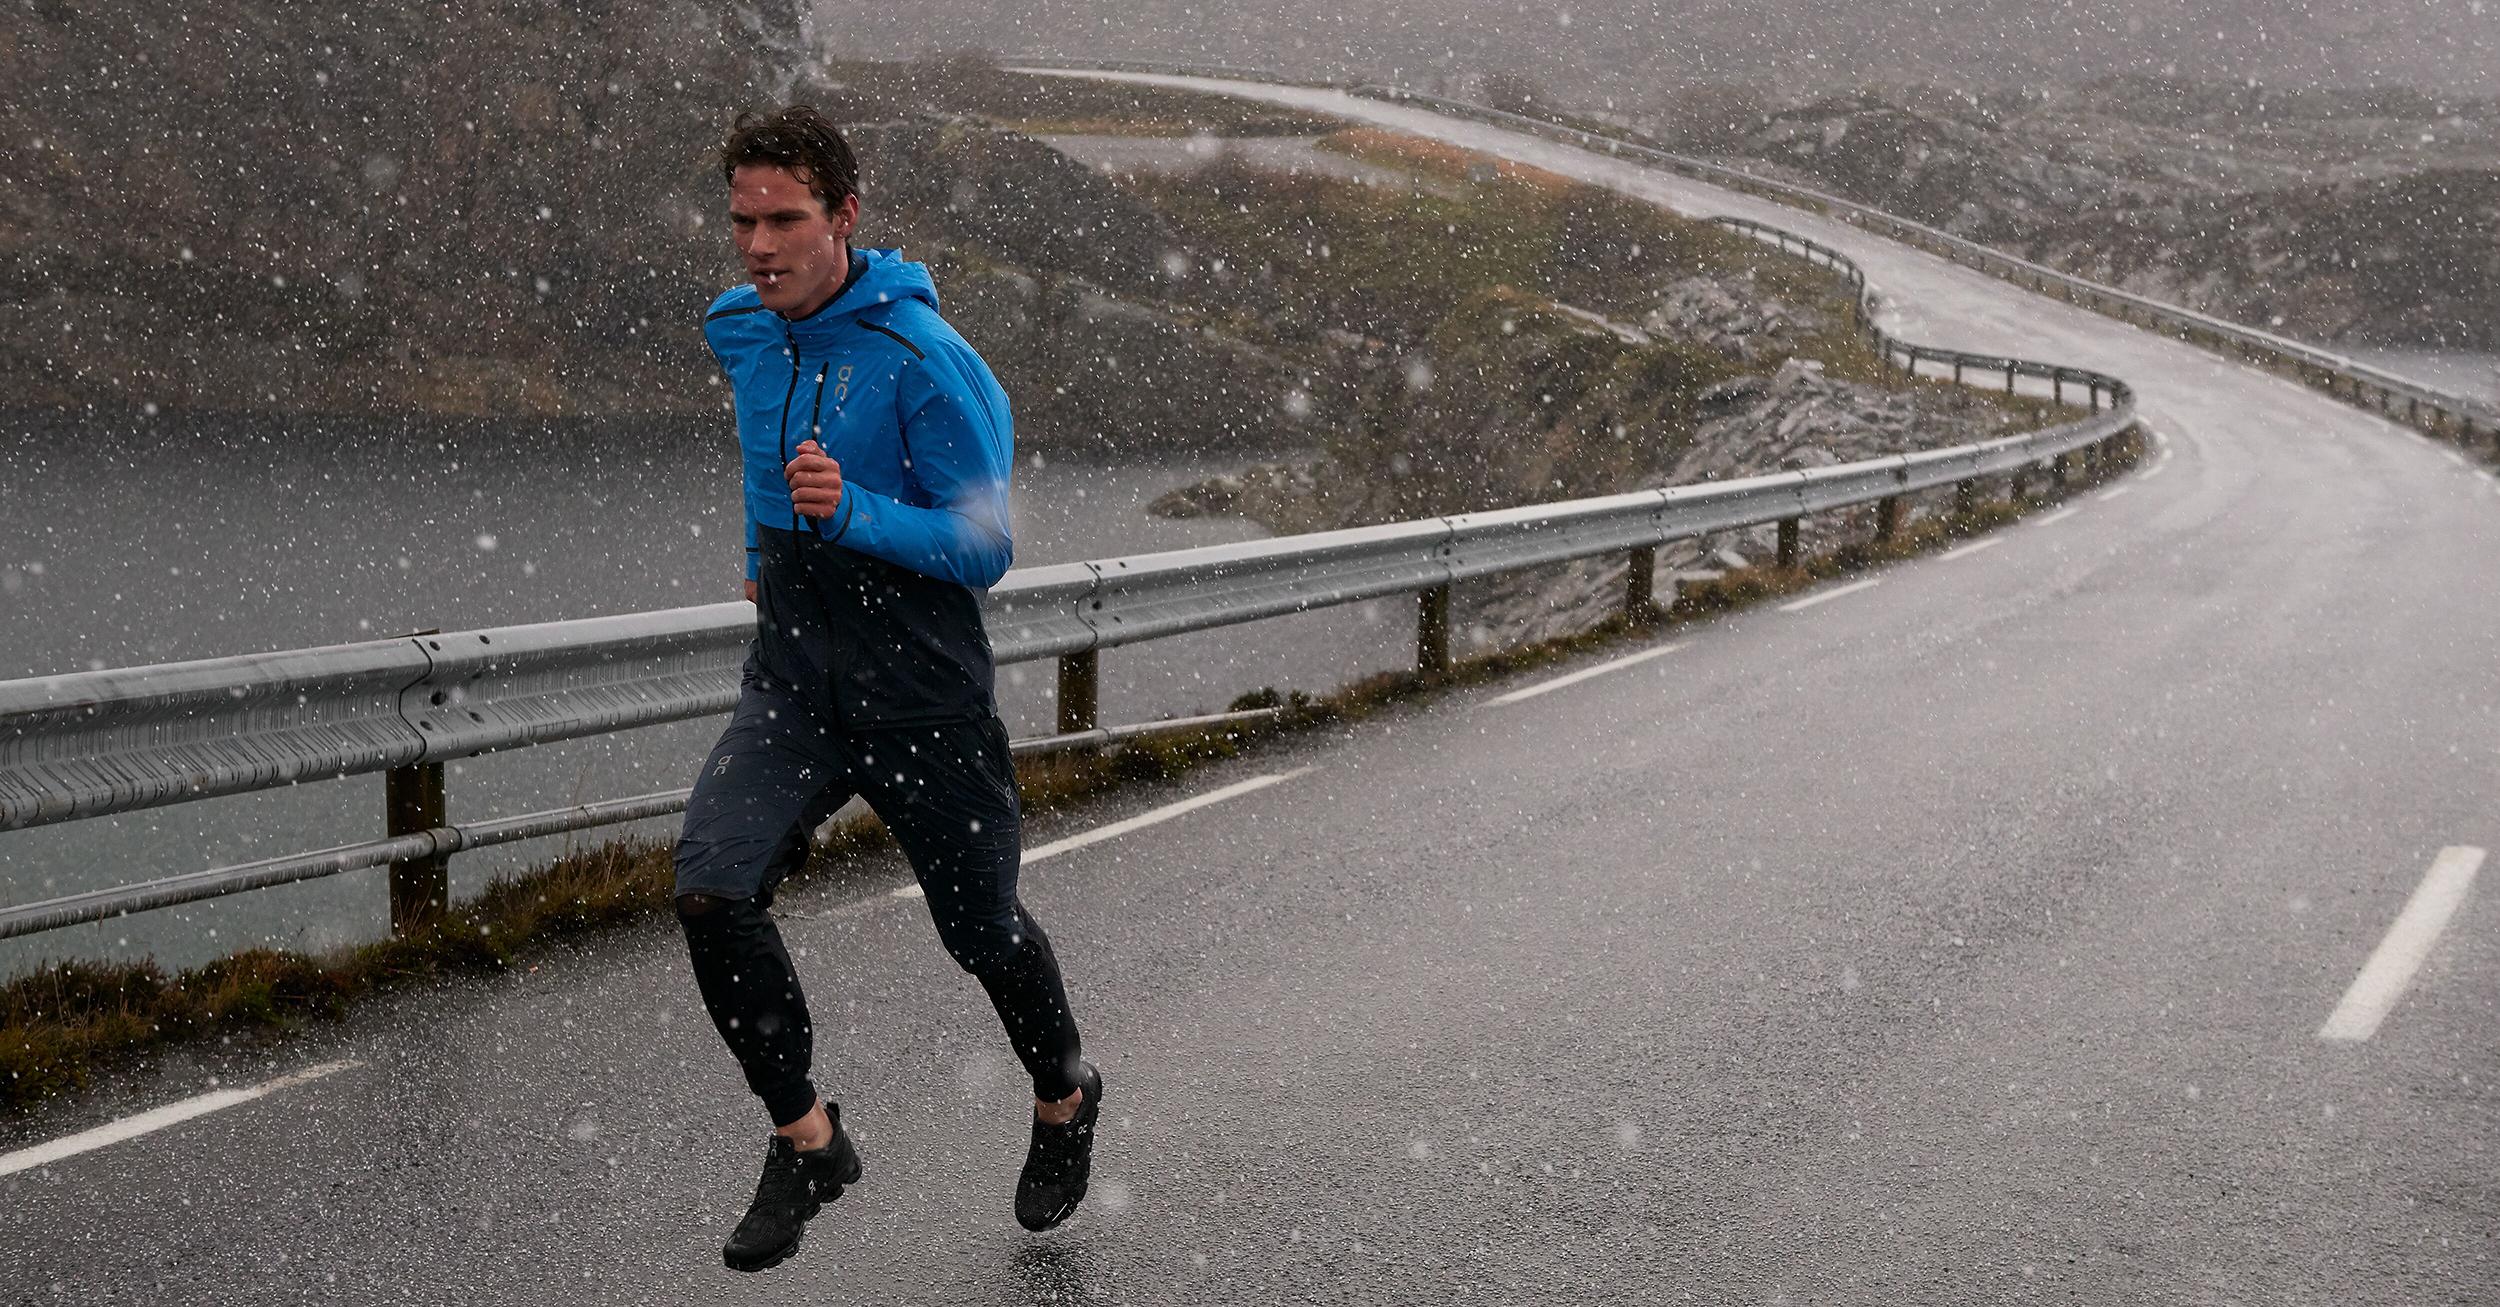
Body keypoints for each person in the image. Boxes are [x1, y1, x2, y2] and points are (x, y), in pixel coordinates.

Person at [671, 105, 1100, 1274]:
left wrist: (850, 512)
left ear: (845, 217)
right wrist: (770, 556)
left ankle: (1063, 1091)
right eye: (743, 221)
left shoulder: (926, 361)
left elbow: (983, 542)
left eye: (786, 220)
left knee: (981, 932)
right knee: (712, 890)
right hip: (797, 686)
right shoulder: (740, 328)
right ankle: (807, 1140)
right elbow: (768, 447)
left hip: (922, 692)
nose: (760, 247)